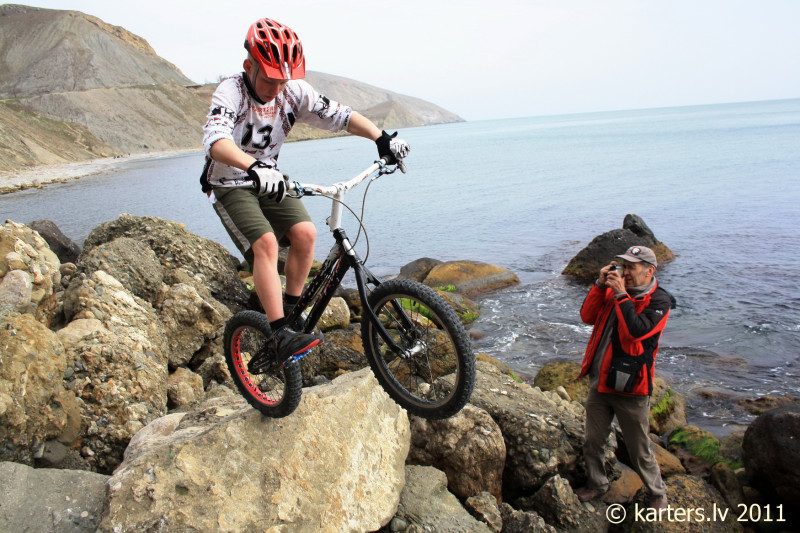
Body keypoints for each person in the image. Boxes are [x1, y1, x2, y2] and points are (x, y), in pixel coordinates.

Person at [201, 18, 409, 364]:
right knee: (266, 243)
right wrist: (252, 166)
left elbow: (341, 115)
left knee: (307, 235)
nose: (277, 87)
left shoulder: (292, 91)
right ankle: (281, 333)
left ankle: (290, 312)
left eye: (283, 80)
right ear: (248, 66)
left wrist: (381, 138)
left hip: (270, 179)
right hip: (230, 182)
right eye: (269, 79)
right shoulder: (231, 92)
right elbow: (216, 141)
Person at [575, 245, 676, 510]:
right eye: (623, 266)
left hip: (632, 387)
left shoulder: (659, 301)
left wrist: (620, 294)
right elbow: (587, 316)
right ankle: (597, 484)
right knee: (592, 440)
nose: (625, 272)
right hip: (601, 382)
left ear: (649, 271)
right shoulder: (612, 292)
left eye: (631, 267)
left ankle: (657, 492)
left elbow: (636, 331)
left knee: (639, 447)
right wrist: (599, 285)